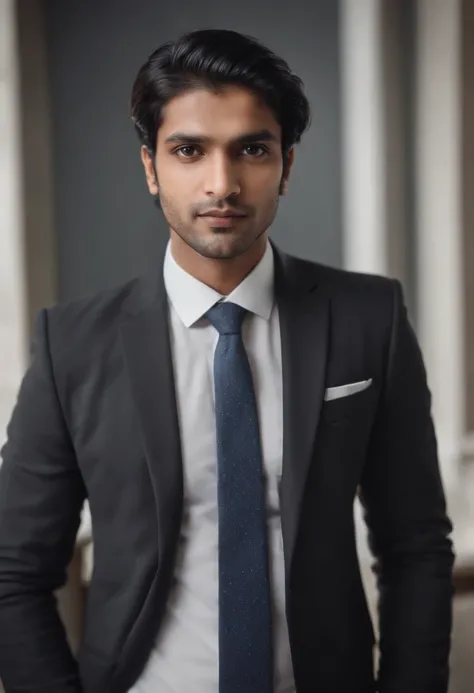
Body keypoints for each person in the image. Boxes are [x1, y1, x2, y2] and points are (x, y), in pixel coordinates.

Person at [0, 28, 454, 693]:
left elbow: (415, 545)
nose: (223, 182)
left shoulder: (368, 318)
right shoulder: (73, 344)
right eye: (189, 150)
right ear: (151, 167)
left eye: (252, 149)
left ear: (287, 165)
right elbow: (14, 569)